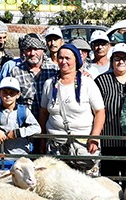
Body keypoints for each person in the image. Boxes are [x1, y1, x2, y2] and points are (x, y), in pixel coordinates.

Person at [39, 44, 104, 173]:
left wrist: (94, 137)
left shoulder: (87, 83)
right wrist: (42, 138)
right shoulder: (49, 84)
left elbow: (100, 112)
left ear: (75, 60)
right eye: (61, 58)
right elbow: (43, 112)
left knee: (87, 186)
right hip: (55, 145)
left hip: (83, 144)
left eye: (67, 58)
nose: (64, 61)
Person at [0, 77, 40, 169]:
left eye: (12, 93)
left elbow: (37, 128)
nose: (8, 96)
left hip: (22, 157)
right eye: (4, 92)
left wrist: (18, 133)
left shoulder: (24, 111)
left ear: (18, 95)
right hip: (4, 158)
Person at [95, 43, 126, 178]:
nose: (121, 62)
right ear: (112, 61)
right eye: (117, 58)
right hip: (109, 140)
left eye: (125, 59)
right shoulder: (102, 80)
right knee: (109, 180)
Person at [9, 33, 58, 119]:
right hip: (25, 122)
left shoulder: (53, 70)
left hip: (50, 122)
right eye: (29, 49)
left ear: (43, 50)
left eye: (36, 49)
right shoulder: (16, 72)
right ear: (24, 51)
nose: (32, 53)